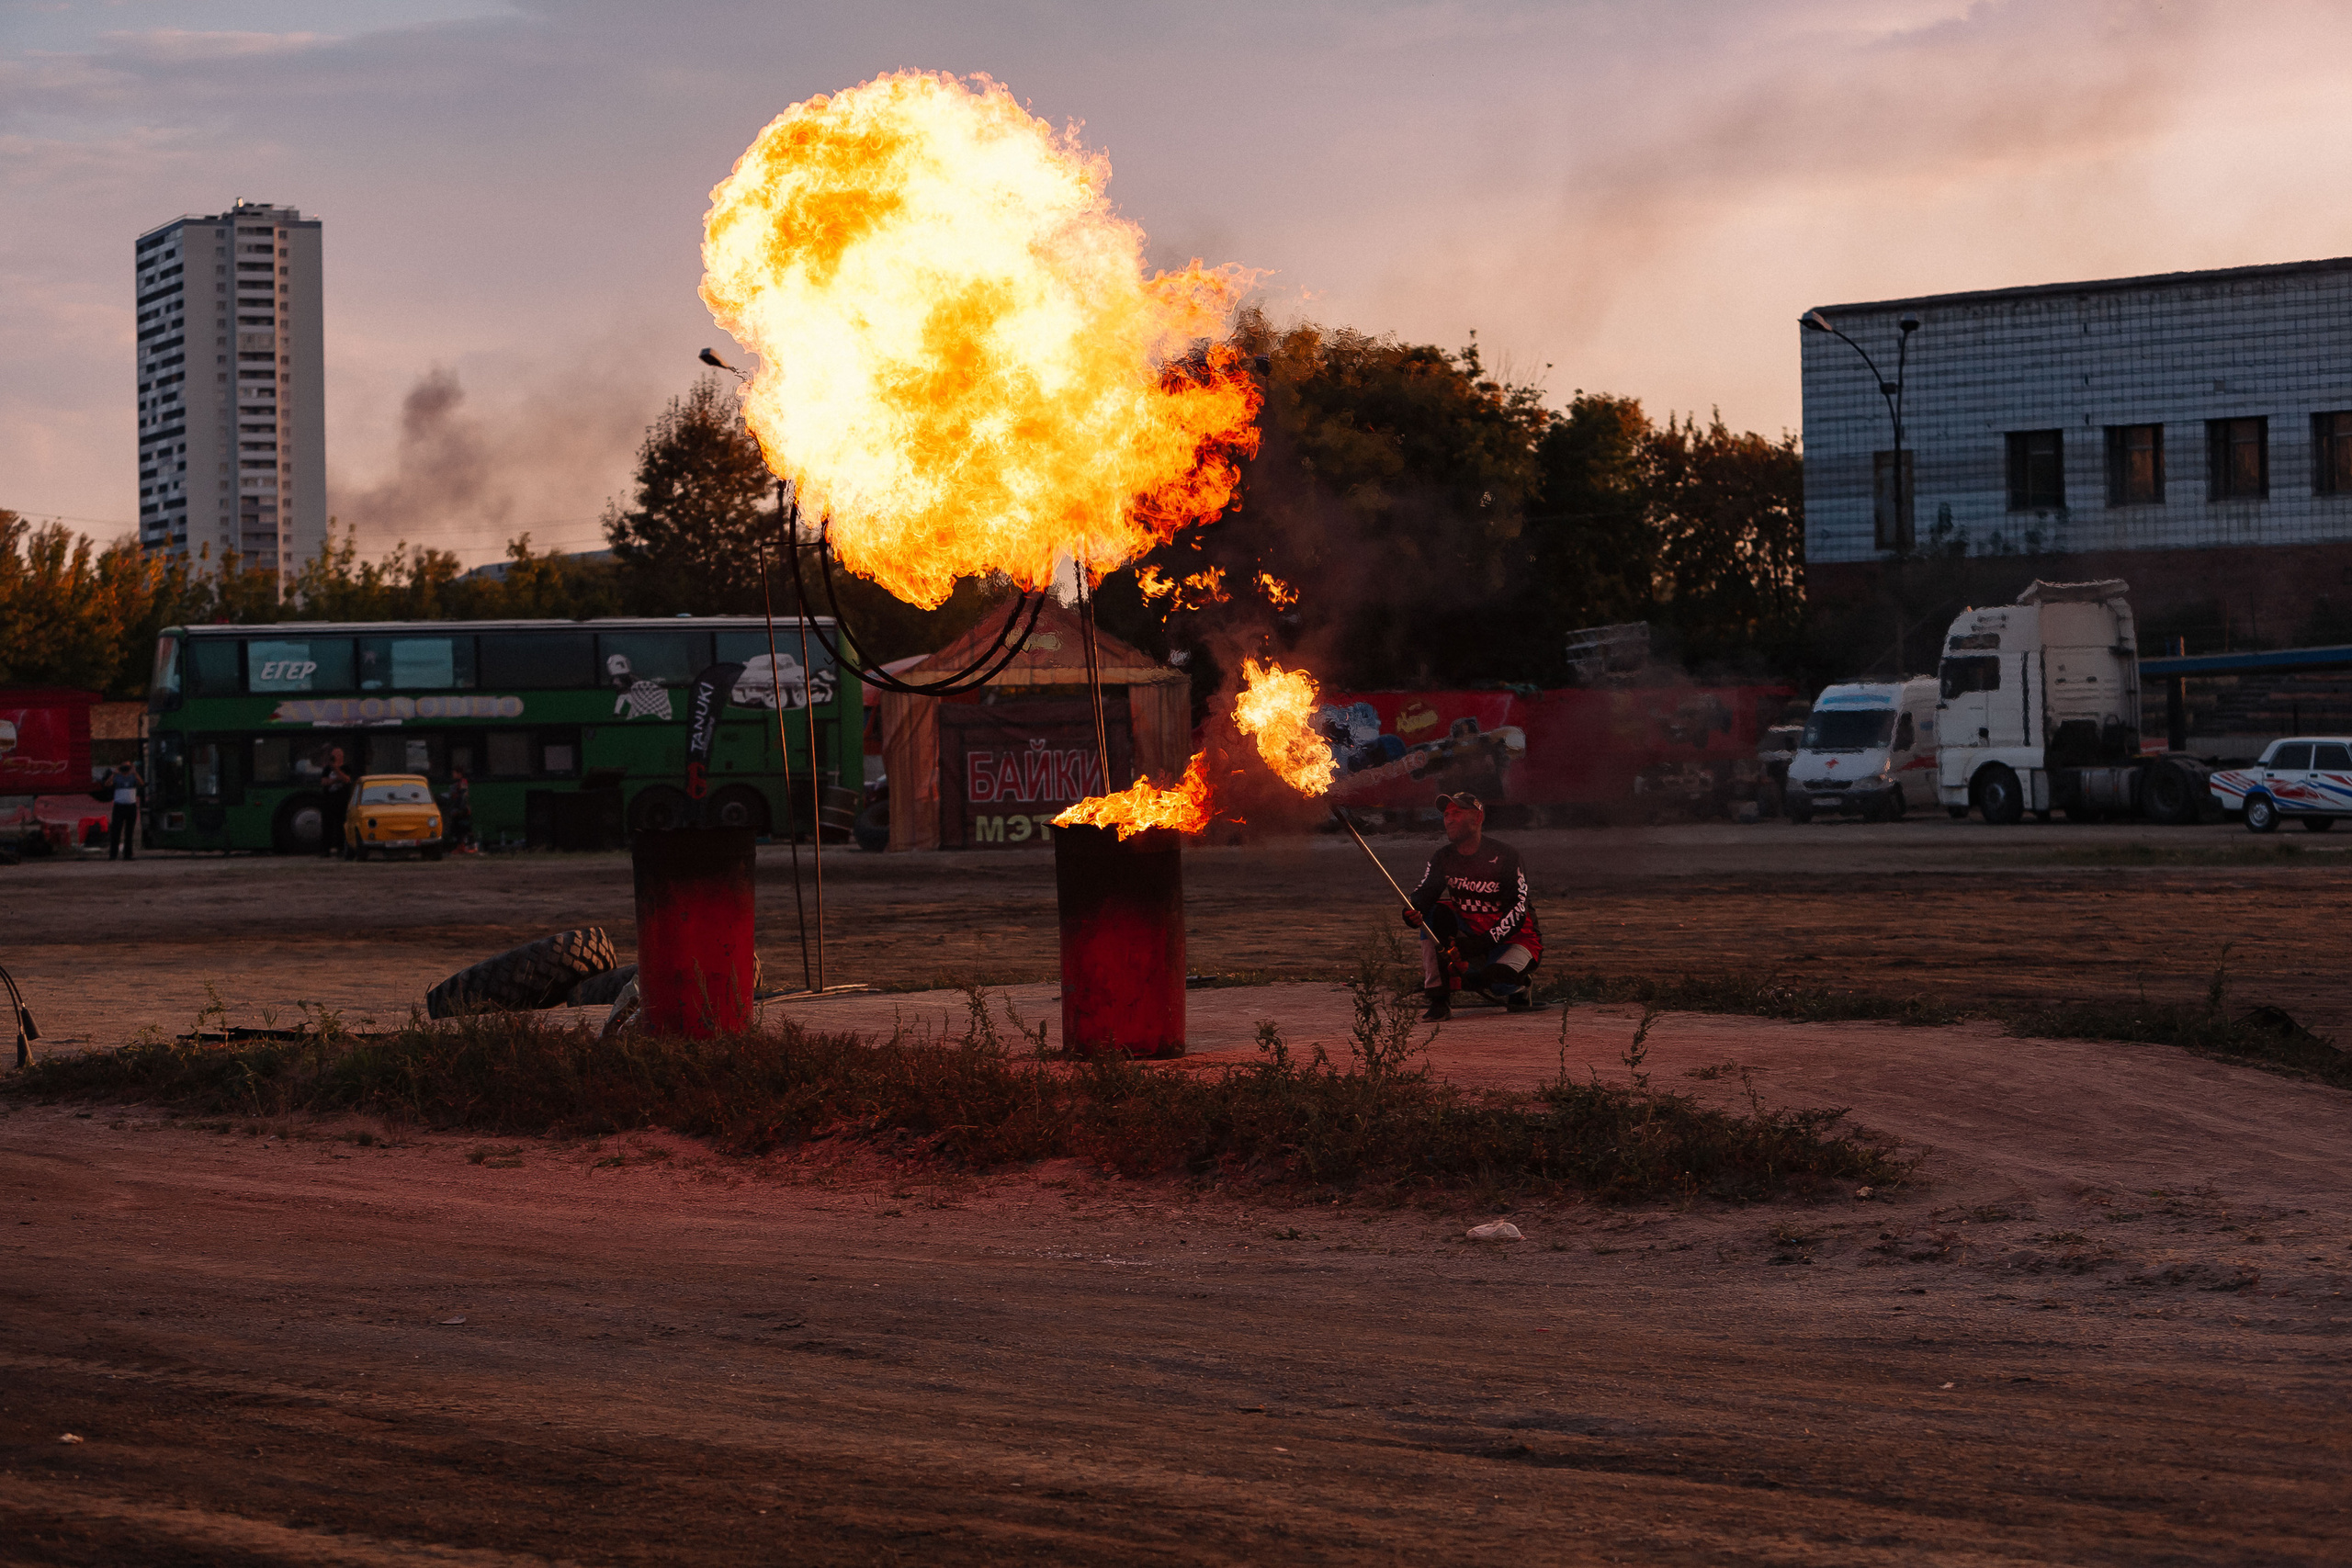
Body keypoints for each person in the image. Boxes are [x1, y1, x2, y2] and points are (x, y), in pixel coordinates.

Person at [1401, 791, 1542, 1021]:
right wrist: (1411, 910)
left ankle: (1519, 986)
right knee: (1431, 913)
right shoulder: (1443, 857)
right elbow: (1424, 893)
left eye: (1457, 812)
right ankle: (1438, 998)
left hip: (1515, 939)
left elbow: (1518, 911)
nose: (1449, 819)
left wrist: (1480, 944)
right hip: (1470, 935)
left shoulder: (1506, 855)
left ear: (1477, 818)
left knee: (1496, 980)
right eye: (1447, 814)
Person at [103, 760, 143, 862]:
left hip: (131, 806)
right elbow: (107, 784)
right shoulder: (117, 777)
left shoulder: (133, 777)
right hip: (119, 806)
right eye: (124, 766)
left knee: (129, 832)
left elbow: (141, 783)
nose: (125, 769)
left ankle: (128, 854)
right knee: (116, 831)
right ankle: (113, 855)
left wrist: (134, 773)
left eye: (127, 767)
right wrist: (115, 773)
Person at [321, 747, 355, 858]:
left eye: (335, 755)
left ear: (340, 756)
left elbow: (347, 779)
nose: (333, 757)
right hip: (329, 801)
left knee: (341, 826)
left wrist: (336, 769)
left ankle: (341, 848)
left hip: (342, 801)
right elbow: (324, 782)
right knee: (327, 826)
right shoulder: (326, 769)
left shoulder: (346, 768)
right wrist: (336, 779)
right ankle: (326, 850)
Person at [442, 768, 474, 853]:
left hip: (461, 810)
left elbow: (463, 796)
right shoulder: (458, 783)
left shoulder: (462, 783)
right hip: (459, 809)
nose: (453, 775)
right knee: (461, 828)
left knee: (462, 828)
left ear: (459, 774)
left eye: (454, 773)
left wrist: (459, 809)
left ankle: (464, 847)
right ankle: (463, 846)